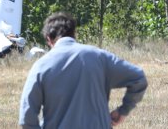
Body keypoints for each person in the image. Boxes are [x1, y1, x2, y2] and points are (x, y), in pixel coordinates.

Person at [19, 12, 148, 129]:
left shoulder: (41, 66)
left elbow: (27, 117)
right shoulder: (100, 57)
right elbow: (138, 78)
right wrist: (123, 111)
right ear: (74, 33)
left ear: (48, 39)